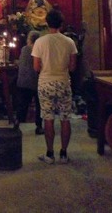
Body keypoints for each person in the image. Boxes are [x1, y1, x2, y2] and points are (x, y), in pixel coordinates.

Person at [32, 9, 77, 164]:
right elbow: (72, 68)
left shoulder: (40, 42)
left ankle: (50, 154)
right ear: (61, 24)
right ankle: (64, 154)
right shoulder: (69, 42)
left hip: (45, 83)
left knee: (48, 119)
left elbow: (36, 67)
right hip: (63, 82)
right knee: (65, 118)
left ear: (46, 22)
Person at [13, 30, 44, 135]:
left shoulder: (24, 49)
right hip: (36, 81)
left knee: (22, 104)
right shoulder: (40, 50)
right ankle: (39, 126)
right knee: (39, 105)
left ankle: (17, 122)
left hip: (22, 81)